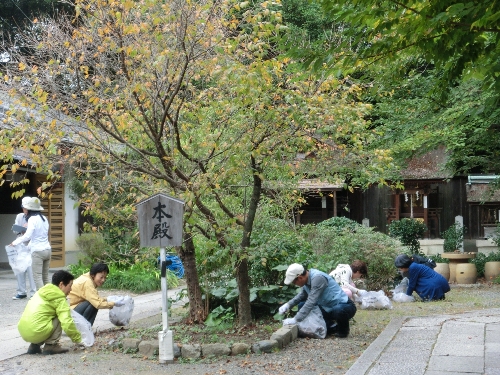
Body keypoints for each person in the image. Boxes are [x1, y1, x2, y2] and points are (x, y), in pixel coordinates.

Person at [278, 263, 357, 338]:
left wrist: (296, 319)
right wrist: (288, 305)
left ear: (300, 278)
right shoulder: (306, 281)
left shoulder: (317, 278)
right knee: (301, 305)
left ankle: (343, 331)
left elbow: (311, 301)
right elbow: (301, 296)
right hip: (327, 308)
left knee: (338, 310)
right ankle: (332, 326)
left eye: (294, 282)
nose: (295, 284)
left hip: (345, 306)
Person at [18, 270, 81, 355]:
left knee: (43, 318)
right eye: (70, 286)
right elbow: (67, 322)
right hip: (37, 332)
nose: (71, 289)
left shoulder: (42, 291)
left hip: (24, 331)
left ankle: (34, 346)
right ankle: (51, 346)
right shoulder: (59, 298)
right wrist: (78, 339)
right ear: (61, 284)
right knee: (61, 316)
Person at [10, 197, 51, 290]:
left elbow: (28, 236)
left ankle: (42, 299)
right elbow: (37, 236)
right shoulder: (44, 218)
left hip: (38, 252)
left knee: (37, 277)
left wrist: (15, 242)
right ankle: (50, 297)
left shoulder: (32, 219)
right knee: (45, 277)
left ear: (29, 209)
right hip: (47, 250)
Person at [11, 196, 37, 300]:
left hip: (31, 244)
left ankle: (33, 293)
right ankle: (21, 292)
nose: (24, 210)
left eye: (26, 208)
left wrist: (28, 230)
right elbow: (14, 229)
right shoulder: (19, 216)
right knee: (20, 269)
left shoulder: (35, 218)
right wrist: (21, 230)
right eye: (23, 207)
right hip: (20, 244)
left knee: (31, 269)